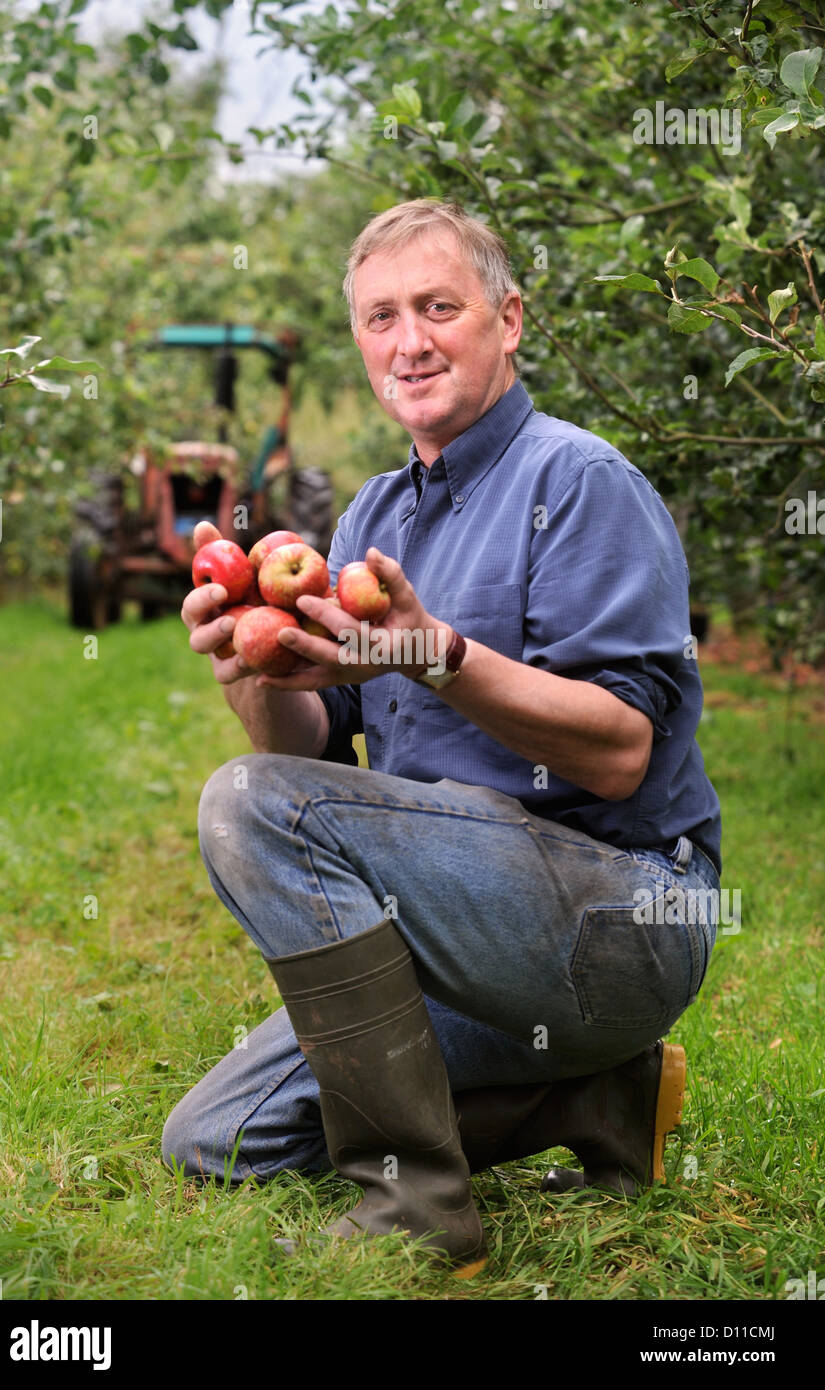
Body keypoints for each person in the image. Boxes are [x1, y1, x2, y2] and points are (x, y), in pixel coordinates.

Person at [163, 199, 722, 1277]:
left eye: (438, 307)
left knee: (245, 798)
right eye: (381, 317)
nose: (408, 340)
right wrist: (253, 663)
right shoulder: (371, 513)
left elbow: (617, 753)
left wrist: (437, 654)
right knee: (216, 1142)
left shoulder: (579, 481)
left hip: (620, 914)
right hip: (467, 943)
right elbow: (316, 763)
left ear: (507, 321)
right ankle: (596, 1092)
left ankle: (411, 1202)